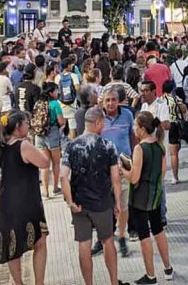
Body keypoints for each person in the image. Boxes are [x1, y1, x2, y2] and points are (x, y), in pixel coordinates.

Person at [61, 108, 129, 285]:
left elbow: (63, 176)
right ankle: (113, 281)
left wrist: (70, 202)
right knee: (107, 241)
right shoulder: (108, 145)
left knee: (84, 244)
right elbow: (115, 177)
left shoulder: (71, 145)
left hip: (80, 203)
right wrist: (117, 203)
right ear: (98, 122)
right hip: (102, 203)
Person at [0, 112, 49, 285]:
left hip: (7, 198)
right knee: (39, 241)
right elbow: (45, 162)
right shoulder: (23, 145)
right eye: (26, 122)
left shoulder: (1, 145)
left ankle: (19, 283)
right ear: (18, 126)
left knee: (12, 242)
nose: (29, 125)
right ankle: (39, 283)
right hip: (25, 198)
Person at [121, 112, 174, 284]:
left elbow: (134, 177)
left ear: (143, 129)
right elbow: (163, 171)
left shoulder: (139, 148)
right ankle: (168, 268)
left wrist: (123, 170)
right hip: (155, 196)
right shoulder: (160, 146)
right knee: (159, 230)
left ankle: (150, 275)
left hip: (139, 199)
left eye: (136, 126)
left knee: (144, 235)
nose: (134, 129)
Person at [92, 88, 135, 258]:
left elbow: (132, 137)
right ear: (102, 102)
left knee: (123, 204)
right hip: (103, 169)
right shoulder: (98, 117)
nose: (110, 103)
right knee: (103, 205)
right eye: (107, 100)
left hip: (123, 166)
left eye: (113, 100)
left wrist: (135, 157)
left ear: (119, 101)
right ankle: (102, 238)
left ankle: (122, 235)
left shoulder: (127, 116)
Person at [35, 83, 65, 198]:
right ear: (51, 92)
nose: (58, 93)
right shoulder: (55, 104)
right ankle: (55, 188)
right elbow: (61, 122)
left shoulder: (39, 103)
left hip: (39, 134)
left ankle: (45, 191)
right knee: (56, 162)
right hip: (52, 133)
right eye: (56, 91)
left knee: (44, 164)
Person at [160, 80, 188, 184]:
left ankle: (162, 176)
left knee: (164, 152)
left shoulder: (160, 100)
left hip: (163, 125)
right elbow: (184, 109)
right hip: (174, 125)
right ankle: (175, 177)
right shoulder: (176, 99)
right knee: (174, 153)